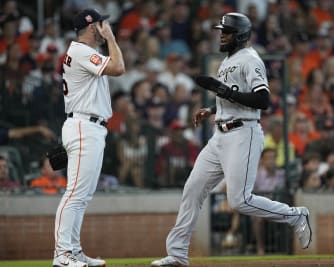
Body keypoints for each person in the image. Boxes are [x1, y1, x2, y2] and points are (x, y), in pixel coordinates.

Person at [151, 13, 311, 267]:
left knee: (240, 201)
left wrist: (220, 89)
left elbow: (263, 100)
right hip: (220, 135)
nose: (221, 35)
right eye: (221, 31)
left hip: (243, 134)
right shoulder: (227, 61)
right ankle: (178, 253)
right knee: (192, 189)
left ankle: (295, 216)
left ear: (241, 35)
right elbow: (234, 98)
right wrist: (212, 109)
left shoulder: (251, 59)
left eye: (226, 31)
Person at [52, 8, 124, 267]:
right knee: (75, 194)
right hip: (84, 125)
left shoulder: (85, 53)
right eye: (102, 23)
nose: (105, 26)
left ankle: (73, 250)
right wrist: (113, 39)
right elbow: (119, 67)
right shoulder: (81, 51)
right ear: (92, 27)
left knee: (82, 194)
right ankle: (62, 254)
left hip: (88, 126)